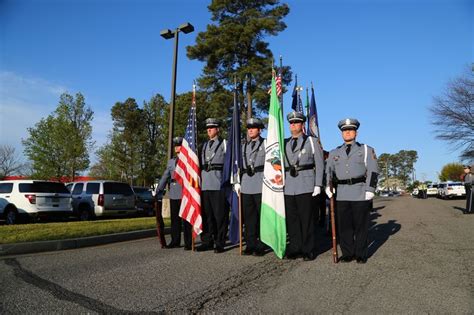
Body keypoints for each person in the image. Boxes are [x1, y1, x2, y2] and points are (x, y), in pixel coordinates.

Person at [326, 118, 379, 264]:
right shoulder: (334, 152)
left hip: (360, 192)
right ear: (341, 133)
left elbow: (373, 171)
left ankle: (361, 253)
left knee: (360, 226)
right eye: (344, 130)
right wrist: (327, 186)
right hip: (341, 193)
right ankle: (348, 253)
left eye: (350, 130)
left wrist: (370, 189)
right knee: (345, 226)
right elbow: (328, 171)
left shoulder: (366, 150)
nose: (347, 133)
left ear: (356, 132)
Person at [284, 111, 324, 261]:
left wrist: (318, 184)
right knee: (292, 220)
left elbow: (320, 164)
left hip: (306, 184)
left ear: (302, 125)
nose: (293, 125)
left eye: (296, 122)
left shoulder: (312, 141)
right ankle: (295, 248)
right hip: (288, 186)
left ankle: (308, 249)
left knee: (306, 219)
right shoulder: (284, 142)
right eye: (291, 123)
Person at [196, 118, 228, 253]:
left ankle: (220, 242)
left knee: (220, 215)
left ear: (217, 129)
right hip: (205, 185)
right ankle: (207, 241)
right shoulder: (203, 145)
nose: (209, 130)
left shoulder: (224, 143)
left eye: (212, 127)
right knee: (207, 215)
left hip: (218, 184)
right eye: (208, 128)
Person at [156, 137, 192, 250]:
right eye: (175, 145)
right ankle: (175, 241)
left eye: (179, 145)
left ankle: (188, 242)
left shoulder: (188, 160)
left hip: (184, 192)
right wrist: (158, 190)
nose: (176, 147)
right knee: (175, 219)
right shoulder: (171, 162)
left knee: (186, 220)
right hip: (174, 192)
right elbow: (165, 176)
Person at [239, 118, 266, 256]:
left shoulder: (266, 143)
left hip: (261, 185)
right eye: (249, 128)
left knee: (262, 217)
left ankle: (261, 244)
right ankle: (250, 244)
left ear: (259, 130)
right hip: (246, 185)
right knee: (249, 218)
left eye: (253, 128)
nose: (250, 130)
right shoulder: (243, 146)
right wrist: (237, 182)